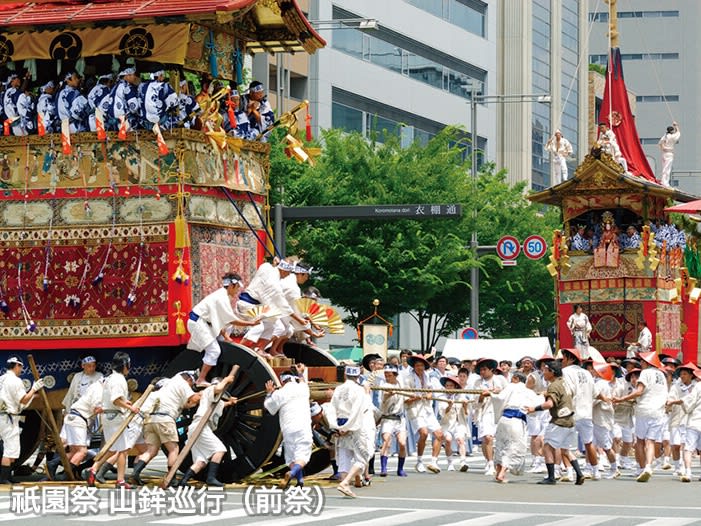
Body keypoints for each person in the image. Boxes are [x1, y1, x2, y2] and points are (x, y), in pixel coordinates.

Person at [130, 370, 200, 486]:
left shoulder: (168, 385)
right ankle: (171, 477)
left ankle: (135, 473)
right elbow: (193, 399)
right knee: (173, 449)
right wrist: (207, 393)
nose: (192, 386)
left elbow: (185, 404)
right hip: (165, 419)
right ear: (189, 380)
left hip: (151, 419)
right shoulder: (182, 383)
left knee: (151, 450)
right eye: (192, 384)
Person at [187, 272, 258, 385]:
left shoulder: (223, 295)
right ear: (231, 285)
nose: (237, 290)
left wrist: (225, 336)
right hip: (198, 323)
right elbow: (230, 319)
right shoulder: (221, 298)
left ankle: (220, 346)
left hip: (204, 323)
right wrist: (252, 323)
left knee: (223, 337)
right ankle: (200, 380)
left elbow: (220, 320)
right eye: (237, 287)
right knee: (214, 350)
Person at [525, 361, 585, 485]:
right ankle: (579, 474)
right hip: (570, 420)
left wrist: (533, 408)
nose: (544, 372)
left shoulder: (553, 386)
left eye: (546, 370)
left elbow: (550, 404)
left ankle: (551, 476)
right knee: (565, 450)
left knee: (547, 447)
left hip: (559, 421)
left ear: (552, 372)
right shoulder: (564, 382)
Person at [87, 351, 140, 489]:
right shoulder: (118, 379)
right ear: (125, 365)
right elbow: (116, 400)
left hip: (109, 416)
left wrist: (128, 404)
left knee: (112, 449)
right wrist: (130, 408)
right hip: (115, 417)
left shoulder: (110, 378)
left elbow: (118, 399)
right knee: (122, 450)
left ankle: (93, 469)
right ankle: (120, 480)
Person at [613, 351, 668, 482]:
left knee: (639, 442)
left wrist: (622, 399)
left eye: (642, 361)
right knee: (651, 441)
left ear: (647, 362)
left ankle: (641, 468)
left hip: (644, 410)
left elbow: (639, 392)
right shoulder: (662, 375)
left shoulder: (646, 373)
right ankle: (648, 466)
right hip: (659, 412)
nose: (641, 363)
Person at [179, 370, 238, 487]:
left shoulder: (216, 401)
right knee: (220, 449)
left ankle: (183, 481)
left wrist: (230, 402)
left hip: (197, 428)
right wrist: (226, 379)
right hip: (201, 426)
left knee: (201, 461)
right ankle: (211, 478)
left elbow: (222, 404)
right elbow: (217, 389)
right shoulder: (209, 390)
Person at [482, 371, 537, 483]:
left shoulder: (510, 387)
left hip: (503, 420)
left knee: (501, 446)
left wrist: (491, 394)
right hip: (516, 421)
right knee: (513, 447)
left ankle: (498, 472)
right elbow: (536, 406)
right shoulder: (528, 392)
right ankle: (501, 474)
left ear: (516, 378)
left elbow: (499, 399)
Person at [264, 366, 312, 489]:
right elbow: (302, 381)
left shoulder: (279, 393)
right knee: (302, 455)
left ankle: (300, 481)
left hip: (288, 428)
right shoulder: (303, 388)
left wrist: (269, 393)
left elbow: (269, 407)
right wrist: (300, 373)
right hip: (303, 426)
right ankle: (292, 473)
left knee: (291, 457)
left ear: (282, 381)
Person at [0, 356, 46, 484]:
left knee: (10, 450)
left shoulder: (1, 379)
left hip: (2, 415)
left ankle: (7, 477)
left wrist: (32, 396)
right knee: (10, 450)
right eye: (20, 367)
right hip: (9, 418)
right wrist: (34, 388)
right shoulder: (15, 381)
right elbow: (23, 400)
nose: (21, 370)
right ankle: (4, 478)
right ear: (17, 366)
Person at [50, 376, 104, 481]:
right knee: (82, 452)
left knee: (75, 451)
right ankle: (66, 476)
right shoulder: (99, 389)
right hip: (78, 419)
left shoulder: (95, 386)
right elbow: (97, 409)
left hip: (74, 417)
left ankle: (54, 463)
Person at [332, 365, 374, 498]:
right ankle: (345, 482)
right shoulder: (359, 390)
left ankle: (346, 485)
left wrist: (336, 426)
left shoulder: (338, 389)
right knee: (363, 456)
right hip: (354, 426)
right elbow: (358, 411)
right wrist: (348, 427)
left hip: (340, 424)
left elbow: (331, 409)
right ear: (358, 376)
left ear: (345, 375)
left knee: (344, 458)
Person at [561, 348, 599, 480]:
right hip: (587, 412)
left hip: (571, 412)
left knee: (563, 444)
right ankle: (595, 471)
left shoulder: (565, 372)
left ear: (570, 358)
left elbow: (568, 391)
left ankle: (570, 472)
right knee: (588, 443)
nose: (562, 360)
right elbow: (595, 393)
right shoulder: (587, 373)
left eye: (564, 358)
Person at [402, 354, 443, 474]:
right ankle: (419, 461)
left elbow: (430, 391)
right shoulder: (408, 378)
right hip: (415, 409)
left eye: (421, 365)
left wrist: (428, 395)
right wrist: (415, 397)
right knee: (424, 433)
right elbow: (404, 397)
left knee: (439, 434)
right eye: (417, 365)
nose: (419, 367)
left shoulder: (427, 376)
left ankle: (434, 461)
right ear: (414, 366)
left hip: (427, 409)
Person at [474, 358, 508, 477]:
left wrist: (497, 391)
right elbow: (475, 403)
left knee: (500, 440)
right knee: (487, 438)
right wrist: (482, 396)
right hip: (485, 412)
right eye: (480, 370)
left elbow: (508, 393)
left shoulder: (501, 379)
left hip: (500, 411)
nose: (482, 372)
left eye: (484, 369)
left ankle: (500, 463)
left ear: (491, 370)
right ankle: (490, 463)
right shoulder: (477, 383)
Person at [378, 364, 408, 477]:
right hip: (387, 418)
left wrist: (416, 396)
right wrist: (389, 394)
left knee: (402, 443)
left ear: (395, 375)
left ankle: (400, 469)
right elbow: (384, 396)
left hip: (400, 418)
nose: (387, 377)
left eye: (389, 375)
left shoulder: (400, 383)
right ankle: (383, 468)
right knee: (387, 441)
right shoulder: (384, 385)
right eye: (386, 375)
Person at [439, 375, 469, 473]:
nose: (449, 387)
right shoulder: (442, 397)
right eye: (447, 385)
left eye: (451, 385)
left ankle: (463, 462)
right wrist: (449, 405)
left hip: (459, 423)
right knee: (448, 440)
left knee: (460, 440)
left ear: (455, 386)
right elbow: (442, 413)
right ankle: (450, 463)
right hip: (447, 423)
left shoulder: (461, 396)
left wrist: (465, 406)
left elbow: (467, 413)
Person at [658, 122, 680, 187]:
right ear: (672, 131)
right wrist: (676, 126)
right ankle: (665, 182)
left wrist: (663, 148)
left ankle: (663, 181)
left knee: (664, 167)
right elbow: (678, 133)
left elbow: (659, 143)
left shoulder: (665, 136)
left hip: (664, 153)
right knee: (667, 168)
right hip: (669, 153)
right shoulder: (672, 137)